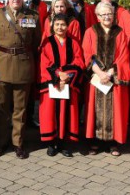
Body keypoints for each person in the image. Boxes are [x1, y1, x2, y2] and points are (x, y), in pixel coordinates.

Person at [0, 0, 42, 159]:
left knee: (20, 109)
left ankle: (17, 143)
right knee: (2, 107)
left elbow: (36, 41)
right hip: (2, 65)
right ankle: (1, 143)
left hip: (23, 64)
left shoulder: (33, 15)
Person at [82, 2, 130, 156]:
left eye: (109, 13)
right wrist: (99, 72)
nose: (107, 16)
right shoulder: (91, 31)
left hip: (113, 77)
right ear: (97, 16)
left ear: (113, 15)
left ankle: (112, 142)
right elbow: (87, 53)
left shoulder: (120, 32)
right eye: (103, 14)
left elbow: (123, 56)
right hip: (96, 77)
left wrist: (109, 73)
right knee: (95, 109)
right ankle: (95, 141)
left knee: (115, 109)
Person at [38, 14, 84, 157]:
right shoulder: (47, 42)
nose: (60, 27)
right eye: (57, 24)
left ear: (67, 26)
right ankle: (52, 144)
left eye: (63, 24)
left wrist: (67, 76)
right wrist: (58, 74)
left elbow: (79, 61)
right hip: (52, 85)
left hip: (68, 85)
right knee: (51, 113)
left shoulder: (74, 43)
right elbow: (44, 62)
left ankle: (65, 144)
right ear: (52, 25)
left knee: (68, 113)